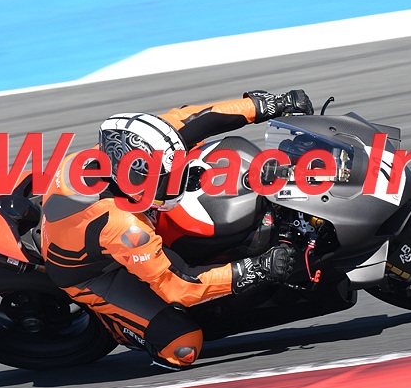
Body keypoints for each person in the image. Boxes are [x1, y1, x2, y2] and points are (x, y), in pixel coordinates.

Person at [40, 90, 314, 369]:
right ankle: (117, 325)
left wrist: (266, 104)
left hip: (91, 228)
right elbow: (179, 286)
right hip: (97, 274)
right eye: (165, 180)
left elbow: (201, 118)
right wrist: (256, 269)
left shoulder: (141, 145)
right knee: (183, 347)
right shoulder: (124, 226)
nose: (174, 185)